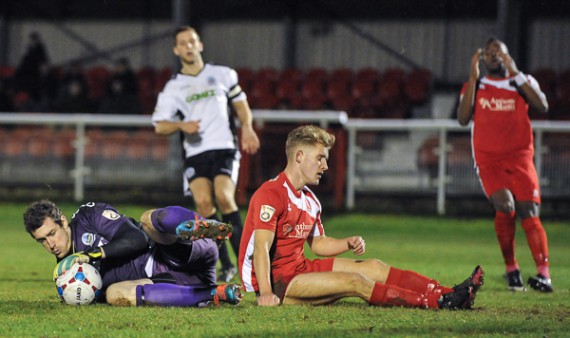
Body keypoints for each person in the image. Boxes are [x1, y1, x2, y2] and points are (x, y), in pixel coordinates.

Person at [238, 125, 484, 309]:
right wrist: (266, 294)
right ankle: (438, 302)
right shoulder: (271, 194)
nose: (325, 166)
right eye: (320, 158)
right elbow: (261, 248)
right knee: (356, 281)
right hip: (275, 280)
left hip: (299, 269)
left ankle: (451, 292)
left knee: (373, 266)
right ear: (299, 156)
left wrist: (347, 242)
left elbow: (319, 244)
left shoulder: (310, 199)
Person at [152, 26, 260, 283]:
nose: (188, 46)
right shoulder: (174, 87)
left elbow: (241, 105)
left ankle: (249, 262)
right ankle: (224, 264)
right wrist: (181, 125)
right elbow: (159, 125)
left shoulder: (222, 74)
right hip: (195, 152)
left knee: (224, 197)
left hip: (224, 147)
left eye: (192, 41)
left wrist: (247, 128)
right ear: (176, 50)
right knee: (203, 204)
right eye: (183, 43)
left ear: (200, 45)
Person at [456, 38, 552, 292]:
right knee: (504, 204)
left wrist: (516, 71)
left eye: (498, 52)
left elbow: (542, 105)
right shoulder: (476, 85)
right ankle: (512, 268)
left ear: (507, 56)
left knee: (529, 212)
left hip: (520, 157)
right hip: (489, 159)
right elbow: (463, 119)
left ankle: (544, 274)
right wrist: (473, 78)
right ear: (482, 60)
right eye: (488, 53)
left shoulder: (521, 82)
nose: (493, 56)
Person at [23, 199, 242, 307]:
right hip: (178, 282)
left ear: (63, 221)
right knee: (114, 294)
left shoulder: (88, 216)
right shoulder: (66, 274)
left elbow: (138, 239)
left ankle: (205, 227)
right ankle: (213, 293)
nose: (50, 244)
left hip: (178, 252)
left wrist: (91, 255)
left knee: (149, 221)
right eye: (42, 240)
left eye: (52, 233)